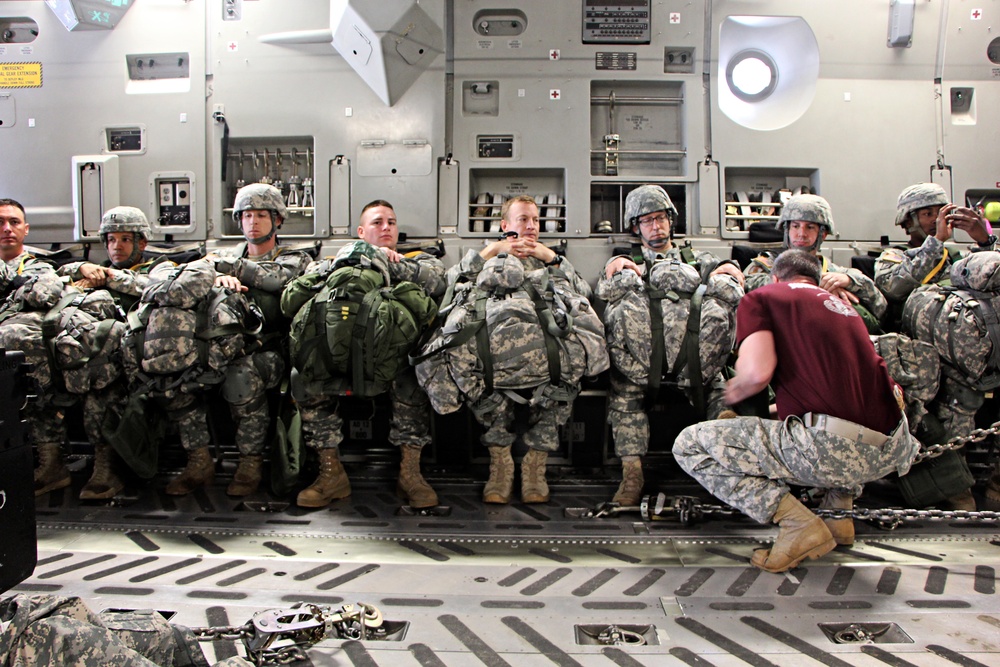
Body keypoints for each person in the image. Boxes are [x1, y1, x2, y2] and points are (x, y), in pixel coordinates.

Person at [673, 250, 919, 572]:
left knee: (690, 445)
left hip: (832, 451)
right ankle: (838, 518)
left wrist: (735, 392)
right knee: (824, 426)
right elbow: (834, 394)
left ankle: (794, 523)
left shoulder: (763, 298)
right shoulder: (843, 308)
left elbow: (756, 375)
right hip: (892, 450)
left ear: (776, 278)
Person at [596, 185, 745, 506]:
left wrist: (730, 269)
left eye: (660, 218)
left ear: (670, 220)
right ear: (636, 227)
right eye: (647, 220)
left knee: (721, 390)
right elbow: (606, 291)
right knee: (623, 395)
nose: (655, 226)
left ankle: (728, 466)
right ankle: (632, 474)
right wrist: (617, 268)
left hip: (693, 356)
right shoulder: (627, 261)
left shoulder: (697, 259)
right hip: (641, 360)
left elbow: (726, 282)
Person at [295, 200, 446, 509]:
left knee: (414, 376)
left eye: (391, 222)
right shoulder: (336, 261)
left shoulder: (416, 261)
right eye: (377, 223)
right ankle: (330, 474)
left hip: (393, 358)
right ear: (361, 233)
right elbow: (302, 284)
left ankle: (410, 473)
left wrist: (391, 263)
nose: (386, 227)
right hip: (339, 356)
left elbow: (438, 279)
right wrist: (355, 259)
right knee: (304, 377)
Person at [444, 195, 595, 504]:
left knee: (565, 379)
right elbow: (448, 286)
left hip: (545, 354)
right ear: (505, 225)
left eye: (536, 220)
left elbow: (584, 292)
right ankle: (500, 466)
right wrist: (490, 252)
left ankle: (534, 467)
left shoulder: (548, 259)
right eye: (523, 219)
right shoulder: (489, 257)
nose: (530, 226)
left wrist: (551, 257)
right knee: (475, 378)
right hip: (493, 354)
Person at [168, 183, 312, 497]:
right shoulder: (220, 259)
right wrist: (216, 276)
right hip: (217, 345)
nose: (253, 222)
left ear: (278, 221)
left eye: (262, 215)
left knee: (241, 374)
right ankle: (199, 460)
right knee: (176, 373)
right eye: (247, 215)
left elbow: (274, 279)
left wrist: (226, 269)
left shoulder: (296, 258)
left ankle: (250, 462)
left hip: (269, 350)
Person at [875, 183, 994, 510]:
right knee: (953, 410)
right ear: (907, 221)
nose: (935, 219)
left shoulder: (964, 257)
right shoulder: (894, 257)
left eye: (941, 213)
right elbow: (895, 287)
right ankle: (953, 489)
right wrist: (936, 242)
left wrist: (983, 240)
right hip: (920, 356)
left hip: (973, 353)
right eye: (927, 214)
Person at [54, 207, 163, 500]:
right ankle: (69, 461)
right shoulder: (94, 270)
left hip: (139, 354)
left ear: (141, 243)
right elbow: (58, 277)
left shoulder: (156, 268)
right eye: (112, 240)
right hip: (91, 354)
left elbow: (153, 287)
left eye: (126, 239)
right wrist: (79, 269)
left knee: (101, 382)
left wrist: (108, 277)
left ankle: (108, 465)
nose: (117, 246)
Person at [0, 199, 72, 496]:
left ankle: (51, 464)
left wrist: (10, 279)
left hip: (22, 350)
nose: (6, 229)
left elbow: (43, 293)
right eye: (0, 223)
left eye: (14, 222)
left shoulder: (38, 265)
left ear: (26, 229)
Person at [744, 194, 887, 331]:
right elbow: (744, 291)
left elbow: (880, 307)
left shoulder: (836, 274)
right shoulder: (766, 265)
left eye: (810, 227)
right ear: (786, 230)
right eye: (795, 226)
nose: (801, 233)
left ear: (822, 234)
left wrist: (850, 282)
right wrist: (811, 286)